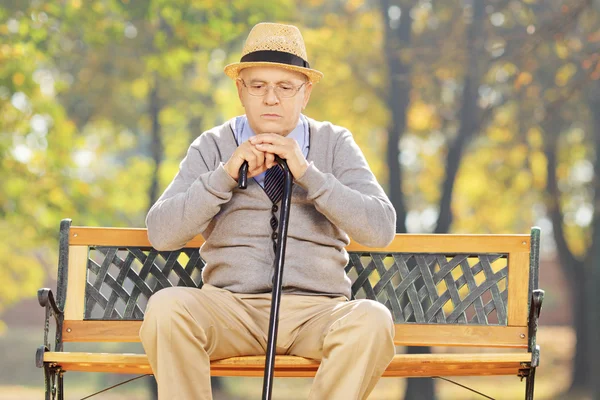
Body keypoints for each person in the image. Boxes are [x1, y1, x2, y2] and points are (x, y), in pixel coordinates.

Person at [140, 22, 397, 400]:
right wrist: (225, 176)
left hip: (318, 311)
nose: (270, 99)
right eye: (258, 85)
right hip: (229, 308)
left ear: (305, 92)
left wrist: (310, 175)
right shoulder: (213, 145)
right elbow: (161, 233)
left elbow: (380, 228)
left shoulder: (335, 143)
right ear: (240, 89)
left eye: (285, 87)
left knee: (373, 320)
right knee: (166, 307)